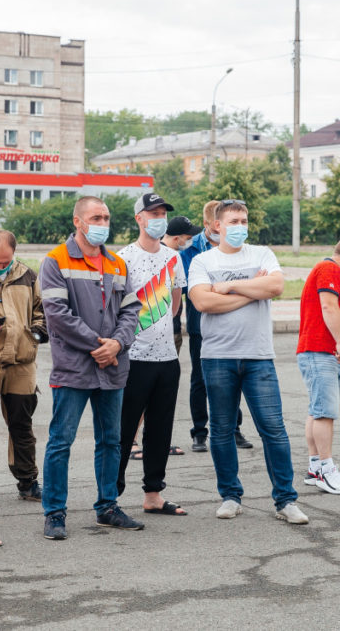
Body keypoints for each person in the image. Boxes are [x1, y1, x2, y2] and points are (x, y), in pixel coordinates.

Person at [187, 199, 307, 524]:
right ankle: (230, 496)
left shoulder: (262, 254)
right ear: (217, 226)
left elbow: (277, 286)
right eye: (234, 221)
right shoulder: (202, 260)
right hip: (217, 358)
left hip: (258, 357)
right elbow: (202, 301)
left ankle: (285, 500)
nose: (240, 226)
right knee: (222, 429)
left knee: (274, 429)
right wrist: (253, 291)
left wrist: (229, 287)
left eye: (244, 220)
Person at [40, 195, 143, 540]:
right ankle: (54, 512)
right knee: (61, 441)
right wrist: (99, 345)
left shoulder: (116, 263)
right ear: (78, 221)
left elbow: (131, 311)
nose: (103, 222)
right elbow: (57, 314)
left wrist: (117, 343)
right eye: (96, 217)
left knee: (111, 441)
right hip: (75, 368)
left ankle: (107, 507)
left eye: (106, 217)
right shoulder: (55, 261)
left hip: (112, 366)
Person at [116, 193, 188, 516]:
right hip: (133, 358)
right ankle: (110, 494)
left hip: (167, 358)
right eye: (152, 212)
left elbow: (175, 304)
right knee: (123, 428)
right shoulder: (122, 258)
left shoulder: (173, 257)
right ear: (139, 219)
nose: (159, 217)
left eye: (162, 212)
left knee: (160, 429)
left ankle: (153, 494)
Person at [0, 229, 48, 501]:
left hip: (22, 363)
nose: (0, 267)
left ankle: (28, 482)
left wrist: (35, 335)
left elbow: (43, 310)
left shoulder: (28, 275)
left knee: (22, 425)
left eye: (6, 261)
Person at [296, 237, 340, 496]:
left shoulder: (331, 270)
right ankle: (326, 469)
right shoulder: (329, 269)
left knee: (317, 410)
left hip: (322, 351)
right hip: (321, 349)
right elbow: (328, 305)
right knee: (325, 412)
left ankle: (315, 467)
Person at [180, 200, 252, 453]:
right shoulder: (191, 249)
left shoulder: (237, 248)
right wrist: (232, 287)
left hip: (233, 323)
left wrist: (230, 287)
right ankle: (200, 432)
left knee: (234, 378)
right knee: (200, 379)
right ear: (212, 224)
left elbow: (251, 281)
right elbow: (196, 289)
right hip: (201, 325)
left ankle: (235, 429)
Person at [163, 215, 201, 356]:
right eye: (188, 237)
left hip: (174, 326)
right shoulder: (166, 257)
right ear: (176, 238)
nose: (189, 241)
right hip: (166, 329)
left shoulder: (174, 255)